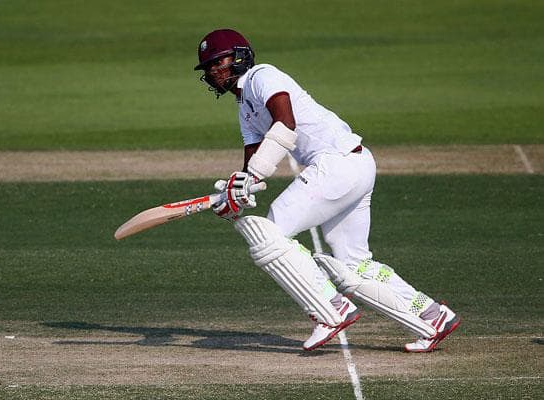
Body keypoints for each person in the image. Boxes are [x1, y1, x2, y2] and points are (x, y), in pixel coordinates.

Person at [194, 28, 460, 352]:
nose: (212, 70)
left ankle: (330, 309)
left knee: (271, 231)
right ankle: (432, 316)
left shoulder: (262, 76)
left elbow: (285, 125)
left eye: (217, 61)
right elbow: (254, 164)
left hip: (337, 164)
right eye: (207, 67)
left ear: (239, 55)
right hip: (355, 165)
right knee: (353, 265)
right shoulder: (244, 107)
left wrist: (248, 180)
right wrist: (236, 194)